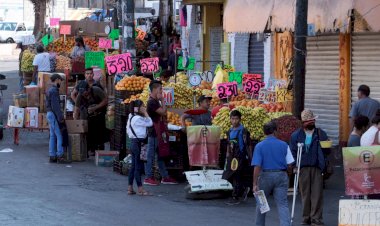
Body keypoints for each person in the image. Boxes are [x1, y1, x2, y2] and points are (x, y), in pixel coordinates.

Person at [290, 109, 329, 226]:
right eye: (309, 122)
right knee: (305, 194)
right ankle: (306, 217)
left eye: (313, 121)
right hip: (303, 168)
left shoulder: (320, 133)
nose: (312, 123)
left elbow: (327, 150)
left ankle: (316, 218)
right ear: (303, 123)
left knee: (317, 194)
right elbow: (292, 151)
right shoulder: (296, 135)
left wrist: (326, 147)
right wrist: (294, 166)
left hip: (316, 167)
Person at [252, 121, 294, 226]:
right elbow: (290, 164)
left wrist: (255, 184)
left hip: (265, 176)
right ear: (275, 131)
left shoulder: (259, 146)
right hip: (281, 175)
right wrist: (287, 174)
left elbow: (257, 166)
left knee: (261, 204)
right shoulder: (284, 145)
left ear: (264, 132)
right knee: (282, 204)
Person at [144, 80, 178, 186]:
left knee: (160, 155)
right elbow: (163, 112)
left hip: (158, 133)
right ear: (154, 89)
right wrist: (163, 100)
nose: (161, 91)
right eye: (160, 89)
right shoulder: (152, 102)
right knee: (150, 155)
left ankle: (165, 177)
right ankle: (148, 177)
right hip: (153, 132)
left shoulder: (155, 101)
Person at [222, 110, 251, 204]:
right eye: (232, 119)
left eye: (236, 119)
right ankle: (243, 189)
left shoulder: (243, 131)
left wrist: (250, 157)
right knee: (228, 175)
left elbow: (248, 144)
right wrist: (227, 154)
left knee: (237, 175)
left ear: (240, 119)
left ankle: (236, 196)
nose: (234, 121)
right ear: (230, 119)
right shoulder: (229, 131)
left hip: (240, 156)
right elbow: (228, 143)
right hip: (231, 156)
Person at [73, 81, 108, 156]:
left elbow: (105, 100)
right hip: (88, 116)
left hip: (99, 115)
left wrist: (95, 107)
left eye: (85, 92)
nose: (83, 94)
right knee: (89, 133)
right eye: (81, 92)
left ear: (88, 88)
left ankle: (100, 151)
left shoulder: (96, 90)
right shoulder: (80, 95)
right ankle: (90, 149)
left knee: (100, 133)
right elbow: (76, 109)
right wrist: (75, 123)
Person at [126, 100, 153, 196]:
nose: (144, 107)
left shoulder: (131, 117)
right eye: (143, 106)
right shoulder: (137, 119)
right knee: (137, 167)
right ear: (138, 108)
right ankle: (140, 189)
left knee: (133, 167)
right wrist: (145, 113)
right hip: (137, 144)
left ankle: (130, 188)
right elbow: (150, 123)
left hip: (134, 143)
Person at [46, 74, 66, 163]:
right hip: (53, 114)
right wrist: (60, 117)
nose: (61, 82)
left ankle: (52, 156)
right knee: (59, 135)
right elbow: (56, 106)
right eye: (60, 80)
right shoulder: (54, 91)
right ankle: (60, 155)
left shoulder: (50, 90)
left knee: (53, 135)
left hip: (50, 114)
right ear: (57, 80)